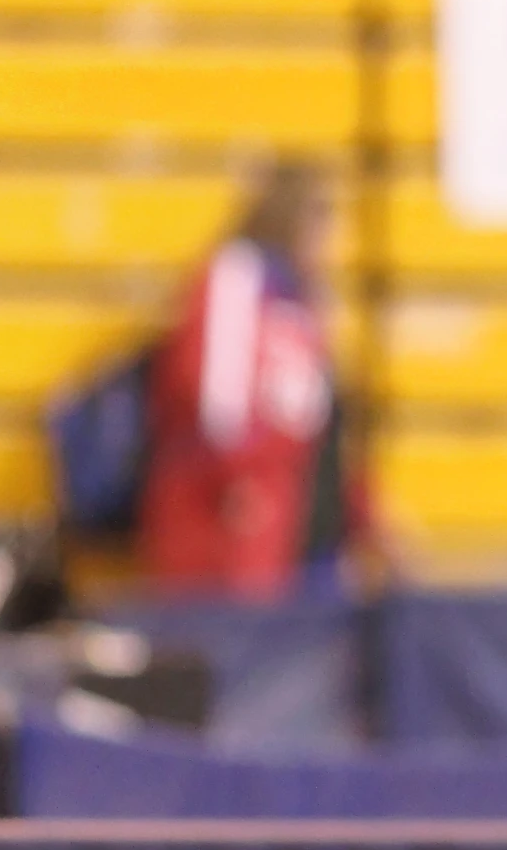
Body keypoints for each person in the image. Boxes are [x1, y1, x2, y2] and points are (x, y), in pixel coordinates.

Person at [138, 161, 360, 603]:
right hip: (227, 511)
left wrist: (361, 515)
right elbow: (216, 390)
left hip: (292, 509)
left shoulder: (301, 298)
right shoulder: (235, 276)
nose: (327, 247)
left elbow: (320, 420)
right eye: (318, 228)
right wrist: (238, 479)